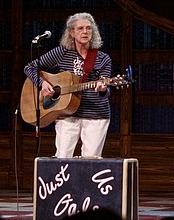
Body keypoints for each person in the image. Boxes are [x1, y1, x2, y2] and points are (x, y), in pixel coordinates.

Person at [23, 12, 113, 158]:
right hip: (66, 112)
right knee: (62, 158)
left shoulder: (103, 59)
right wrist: (42, 83)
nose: (85, 32)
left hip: (95, 114)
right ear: (71, 32)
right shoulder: (61, 53)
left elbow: (106, 91)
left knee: (91, 160)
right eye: (80, 28)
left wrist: (103, 88)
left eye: (89, 28)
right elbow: (29, 67)